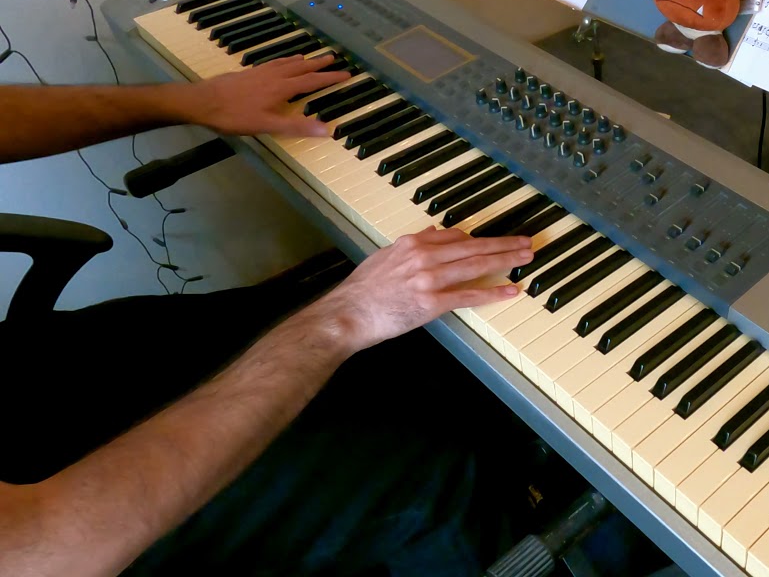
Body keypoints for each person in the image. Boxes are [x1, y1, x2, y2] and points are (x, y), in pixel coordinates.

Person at [0, 54, 537, 576]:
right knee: (438, 473)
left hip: (21, 374)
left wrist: (189, 100)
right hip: (71, 522)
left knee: (309, 322)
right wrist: (342, 318)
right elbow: (48, 544)